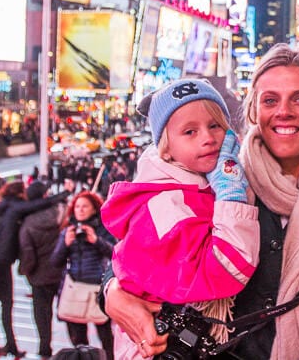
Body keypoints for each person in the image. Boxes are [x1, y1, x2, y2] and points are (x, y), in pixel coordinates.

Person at [104, 44, 299, 359]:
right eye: (270, 100)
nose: (284, 111)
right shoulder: (216, 180)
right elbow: (139, 252)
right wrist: (112, 292)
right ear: (253, 110)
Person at [101, 78, 259, 358]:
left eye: (215, 125)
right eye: (190, 132)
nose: (208, 138)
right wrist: (232, 196)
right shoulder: (164, 205)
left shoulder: (196, 183)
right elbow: (226, 270)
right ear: (165, 147)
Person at [52, 191, 116, 359]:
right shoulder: (68, 230)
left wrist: (96, 240)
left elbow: (114, 254)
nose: (80, 210)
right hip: (75, 287)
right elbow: (55, 261)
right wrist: (65, 244)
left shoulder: (103, 229)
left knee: (106, 337)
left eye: (85, 206)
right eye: (77, 206)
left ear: (94, 209)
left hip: (97, 287)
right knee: (78, 338)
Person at [18, 182, 66, 360]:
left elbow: (27, 253)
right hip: (62, 273)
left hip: (39, 276)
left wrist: (26, 271)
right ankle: (78, 347)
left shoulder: (27, 223)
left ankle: (45, 348)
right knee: (69, 312)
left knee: (42, 314)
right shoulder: (61, 213)